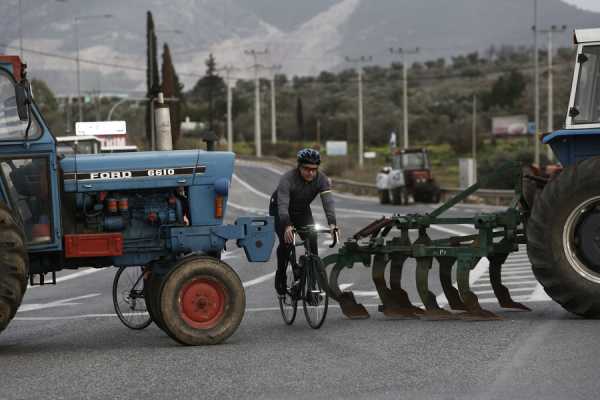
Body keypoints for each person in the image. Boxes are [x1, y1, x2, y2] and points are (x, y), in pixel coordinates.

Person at [269, 148, 337, 296]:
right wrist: (287, 226)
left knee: (312, 238)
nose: (311, 173)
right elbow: (282, 206)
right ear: (299, 167)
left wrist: (332, 224)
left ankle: (313, 286)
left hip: (302, 210)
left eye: (314, 169)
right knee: (287, 241)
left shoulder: (322, 179)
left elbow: (328, 203)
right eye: (306, 169)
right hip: (280, 209)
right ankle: (281, 275)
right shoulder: (287, 179)